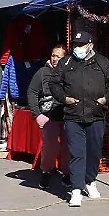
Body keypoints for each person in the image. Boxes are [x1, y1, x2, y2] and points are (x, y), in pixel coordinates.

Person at [49, 30, 109, 208]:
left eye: (81, 45)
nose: (77, 48)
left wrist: (105, 99)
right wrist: (64, 99)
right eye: (75, 45)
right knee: (77, 153)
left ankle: (90, 181)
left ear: (90, 45)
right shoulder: (67, 62)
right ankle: (76, 189)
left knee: (93, 151)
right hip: (73, 116)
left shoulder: (102, 62)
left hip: (96, 115)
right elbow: (54, 84)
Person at [26, 43, 69, 189]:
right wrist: (37, 114)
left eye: (58, 56)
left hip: (68, 115)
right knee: (50, 145)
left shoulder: (70, 71)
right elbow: (32, 92)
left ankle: (67, 174)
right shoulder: (43, 72)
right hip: (49, 115)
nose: (55, 58)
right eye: (53, 55)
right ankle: (46, 171)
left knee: (68, 146)